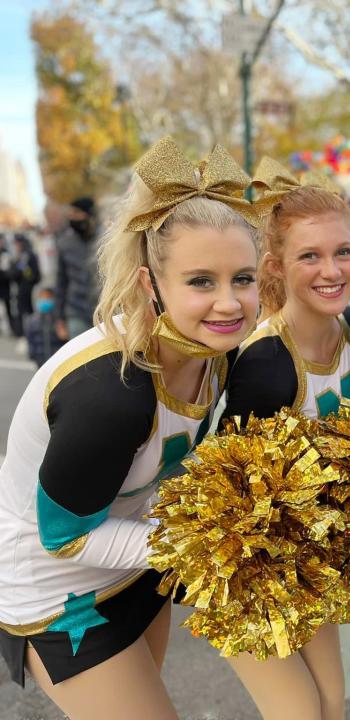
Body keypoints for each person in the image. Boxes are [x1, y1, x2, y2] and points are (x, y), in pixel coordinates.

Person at [0, 135, 260, 719]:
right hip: (58, 592)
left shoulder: (213, 353)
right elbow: (62, 536)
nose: (228, 303)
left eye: (242, 279)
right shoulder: (109, 393)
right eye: (201, 281)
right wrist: (201, 542)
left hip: (137, 567)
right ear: (151, 284)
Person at [218, 158, 350, 720]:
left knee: (332, 702)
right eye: (310, 256)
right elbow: (226, 496)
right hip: (250, 567)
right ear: (275, 265)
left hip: (308, 559)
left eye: (343, 251)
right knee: (300, 711)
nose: (331, 269)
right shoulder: (267, 359)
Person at [55, 197, 100, 340]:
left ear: (89, 215)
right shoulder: (64, 243)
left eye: (77, 214)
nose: (72, 218)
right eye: (71, 214)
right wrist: (59, 318)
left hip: (105, 313)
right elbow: (61, 282)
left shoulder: (107, 239)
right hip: (76, 312)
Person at [24, 287, 65, 367]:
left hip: (57, 360)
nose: (45, 300)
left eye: (48, 298)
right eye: (42, 298)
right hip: (40, 359)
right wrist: (32, 354)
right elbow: (30, 339)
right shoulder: (32, 320)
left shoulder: (59, 320)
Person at [9, 234, 40, 337]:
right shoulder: (22, 254)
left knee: (26, 310)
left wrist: (19, 271)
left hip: (26, 287)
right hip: (24, 286)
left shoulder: (26, 255)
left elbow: (27, 272)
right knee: (25, 310)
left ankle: (26, 333)